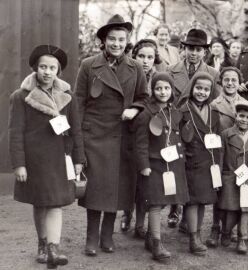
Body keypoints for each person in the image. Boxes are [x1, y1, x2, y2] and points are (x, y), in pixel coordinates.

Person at [74, 14, 148, 256]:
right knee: (95, 190)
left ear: (127, 41)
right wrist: (79, 141)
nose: (116, 44)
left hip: (122, 138)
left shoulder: (135, 67)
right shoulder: (88, 65)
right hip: (94, 136)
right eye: (112, 39)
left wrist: (133, 109)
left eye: (121, 39)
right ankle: (91, 238)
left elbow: (143, 98)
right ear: (103, 41)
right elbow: (79, 103)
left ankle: (107, 236)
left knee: (116, 191)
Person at [9, 45, 85, 269]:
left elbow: (76, 130)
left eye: (53, 67)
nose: (48, 72)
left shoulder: (68, 96)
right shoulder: (21, 97)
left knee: (55, 204)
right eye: (43, 66)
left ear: (58, 70)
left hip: (60, 159)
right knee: (40, 203)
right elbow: (15, 134)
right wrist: (19, 165)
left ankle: (53, 248)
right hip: (35, 162)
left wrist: (79, 159)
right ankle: (42, 245)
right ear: (35, 68)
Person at [133, 72, 189, 261]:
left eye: (166, 88)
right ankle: (156, 242)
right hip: (154, 165)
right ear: (152, 90)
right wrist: (143, 165)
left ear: (172, 90)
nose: (162, 92)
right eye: (158, 88)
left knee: (164, 201)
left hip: (172, 165)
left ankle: (150, 237)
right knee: (155, 203)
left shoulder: (176, 112)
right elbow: (140, 143)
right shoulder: (146, 114)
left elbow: (177, 137)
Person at [119, 38, 165, 237]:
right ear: (133, 56)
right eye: (141, 56)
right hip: (128, 131)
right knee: (130, 178)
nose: (145, 61)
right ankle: (126, 214)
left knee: (146, 180)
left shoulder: (159, 79)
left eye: (150, 57)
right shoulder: (128, 74)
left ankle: (140, 223)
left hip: (150, 135)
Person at [179, 72, 221, 256]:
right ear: (191, 88)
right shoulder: (183, 110)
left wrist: (217, 164)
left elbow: (217, 138)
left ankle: (196, 232)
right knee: (192, 201)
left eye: (206, 89)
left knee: (203, 200)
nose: (202, 92)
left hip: (209, 161)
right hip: (190, 160)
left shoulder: (214, 112)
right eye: (198, 88)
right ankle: (193, 237)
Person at [217, 100, 248, 254]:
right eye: (241, 116)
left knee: (247, 210)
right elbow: (220, 157)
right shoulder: (226, 134)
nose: (244, 120)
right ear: (235, 116)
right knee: (230, 210)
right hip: (231, 176)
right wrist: (219, 177)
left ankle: (242, 238)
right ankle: (225, 232)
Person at [206, 67, 247, 247]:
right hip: (221, 153)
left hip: (239, 154)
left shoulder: (245, 103)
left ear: (239, 83)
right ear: (221, 82)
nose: (230, 83)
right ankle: (216, 227)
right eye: (227, 79)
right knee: (219, 190)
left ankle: (229, 229)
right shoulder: (214, 104)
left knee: (238, 191)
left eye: (234, 80)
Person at [167, 28, 218, 104]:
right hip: (176, 114)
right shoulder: (170, 70)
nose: (194, 53)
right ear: (185, 49)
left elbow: (215, 103)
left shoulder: (213, 74)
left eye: (198, 50)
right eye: (190, 48)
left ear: (205, 52)